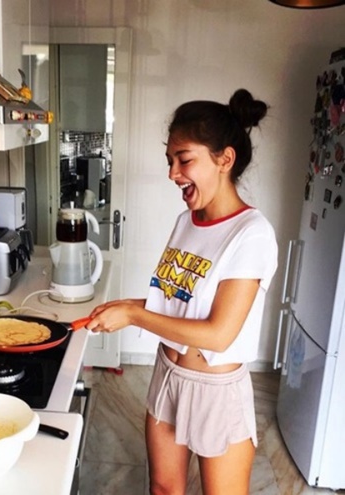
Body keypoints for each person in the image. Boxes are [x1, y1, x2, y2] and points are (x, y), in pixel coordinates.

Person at [86, 88, 278, 495]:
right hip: (168, 375)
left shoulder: (252, 234)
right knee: (163, 489)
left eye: (184, 159)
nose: (173, 173)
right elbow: (180, 305)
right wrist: (127, 306)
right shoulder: (186, 221)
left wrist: (134, 315)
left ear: (225, 159)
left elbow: (218, 334)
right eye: (170, 161)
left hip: (216, 391)